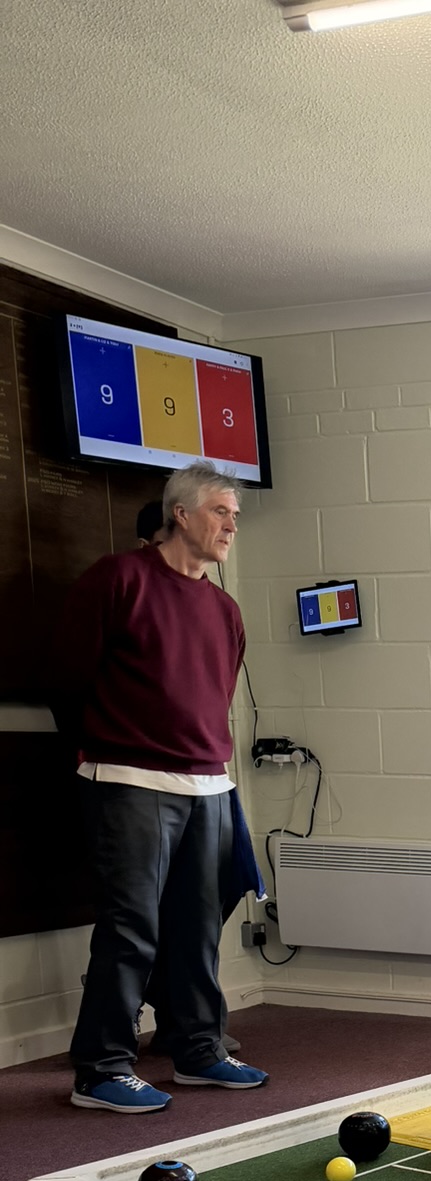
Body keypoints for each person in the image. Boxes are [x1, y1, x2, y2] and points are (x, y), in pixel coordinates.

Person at [54, 462, 268, 1112]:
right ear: (181, 513)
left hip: (208, 785)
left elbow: (214, 697)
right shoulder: (119, 579)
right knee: (131, 927)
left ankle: (199, 1049)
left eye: (235, 515)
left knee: (197, 928)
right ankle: (101, 1070)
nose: (231, 525)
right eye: (221, 511)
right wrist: (105, 748)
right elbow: (69, 678)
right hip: (128, 779)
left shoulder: (224, 609)